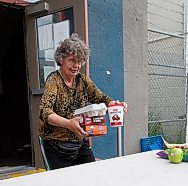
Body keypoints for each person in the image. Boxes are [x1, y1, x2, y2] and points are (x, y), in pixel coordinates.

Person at [39, 34, 127, 169]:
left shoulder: (83, 80)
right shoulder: (53, 80)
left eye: (79, 61)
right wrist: (68, 124)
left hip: (79, 142)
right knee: (62, 183)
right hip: (55, 145)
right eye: (72, 60)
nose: (76, 65)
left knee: (91, 175)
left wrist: (115, 104)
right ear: (61, 59)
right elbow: (45, 112)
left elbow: (102, 98)